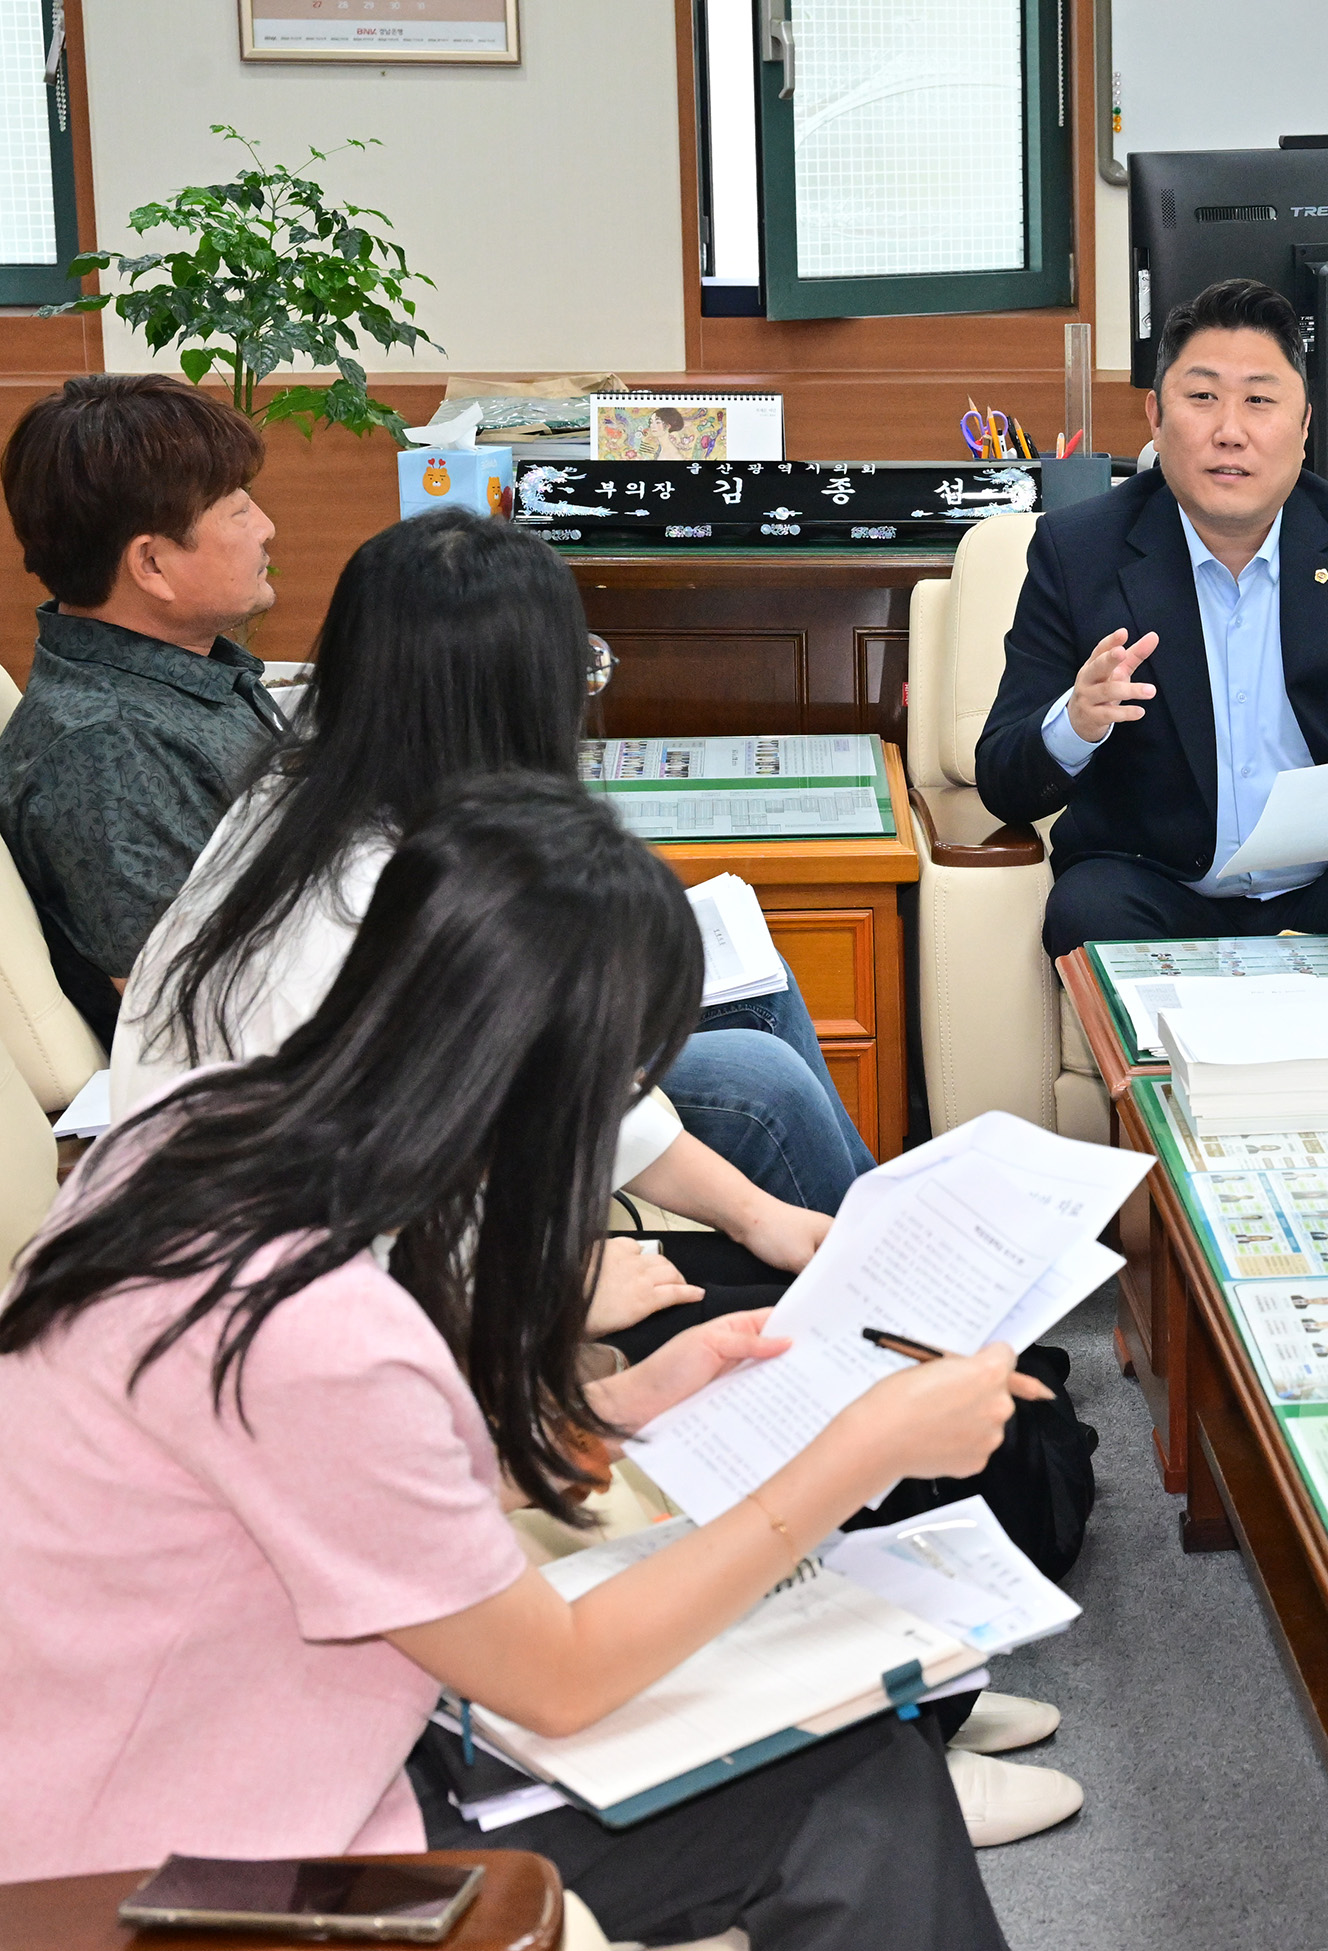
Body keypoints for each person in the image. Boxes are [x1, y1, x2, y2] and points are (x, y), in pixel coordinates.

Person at [0, 777, 1021, 1947]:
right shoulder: (312, 1324)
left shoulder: (187, 1134)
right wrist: (861, 1450)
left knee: (849, 1770)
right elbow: (560, 1675)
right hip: (185, 1877)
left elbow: (324, 1493)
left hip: (175, 1761)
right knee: (853, 1787)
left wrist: (616, 1406)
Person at [111, 510, 870, 1297]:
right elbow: (371, 1243)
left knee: (776, 1234)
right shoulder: (394, 908)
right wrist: (567, 1291)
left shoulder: (306, 798)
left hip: (357, 1277)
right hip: (312, 1320)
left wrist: (752, 1214)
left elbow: (546, 1076)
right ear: (510, 703)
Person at [976, 276, 1328, 956]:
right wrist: (1076, 721)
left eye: (1258, 400)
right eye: (1201, 398)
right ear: (1156, 419)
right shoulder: (1079, 551)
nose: (1229, 431)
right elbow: (1001, 775)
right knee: (1088, 906)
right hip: (1163, 890)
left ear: (1305, 424)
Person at [0, 375, 285, 1042]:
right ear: (151, 564)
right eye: (236, 508)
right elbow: (192, 1014)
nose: (266, 526)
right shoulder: (109, 750)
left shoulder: (184, 673)